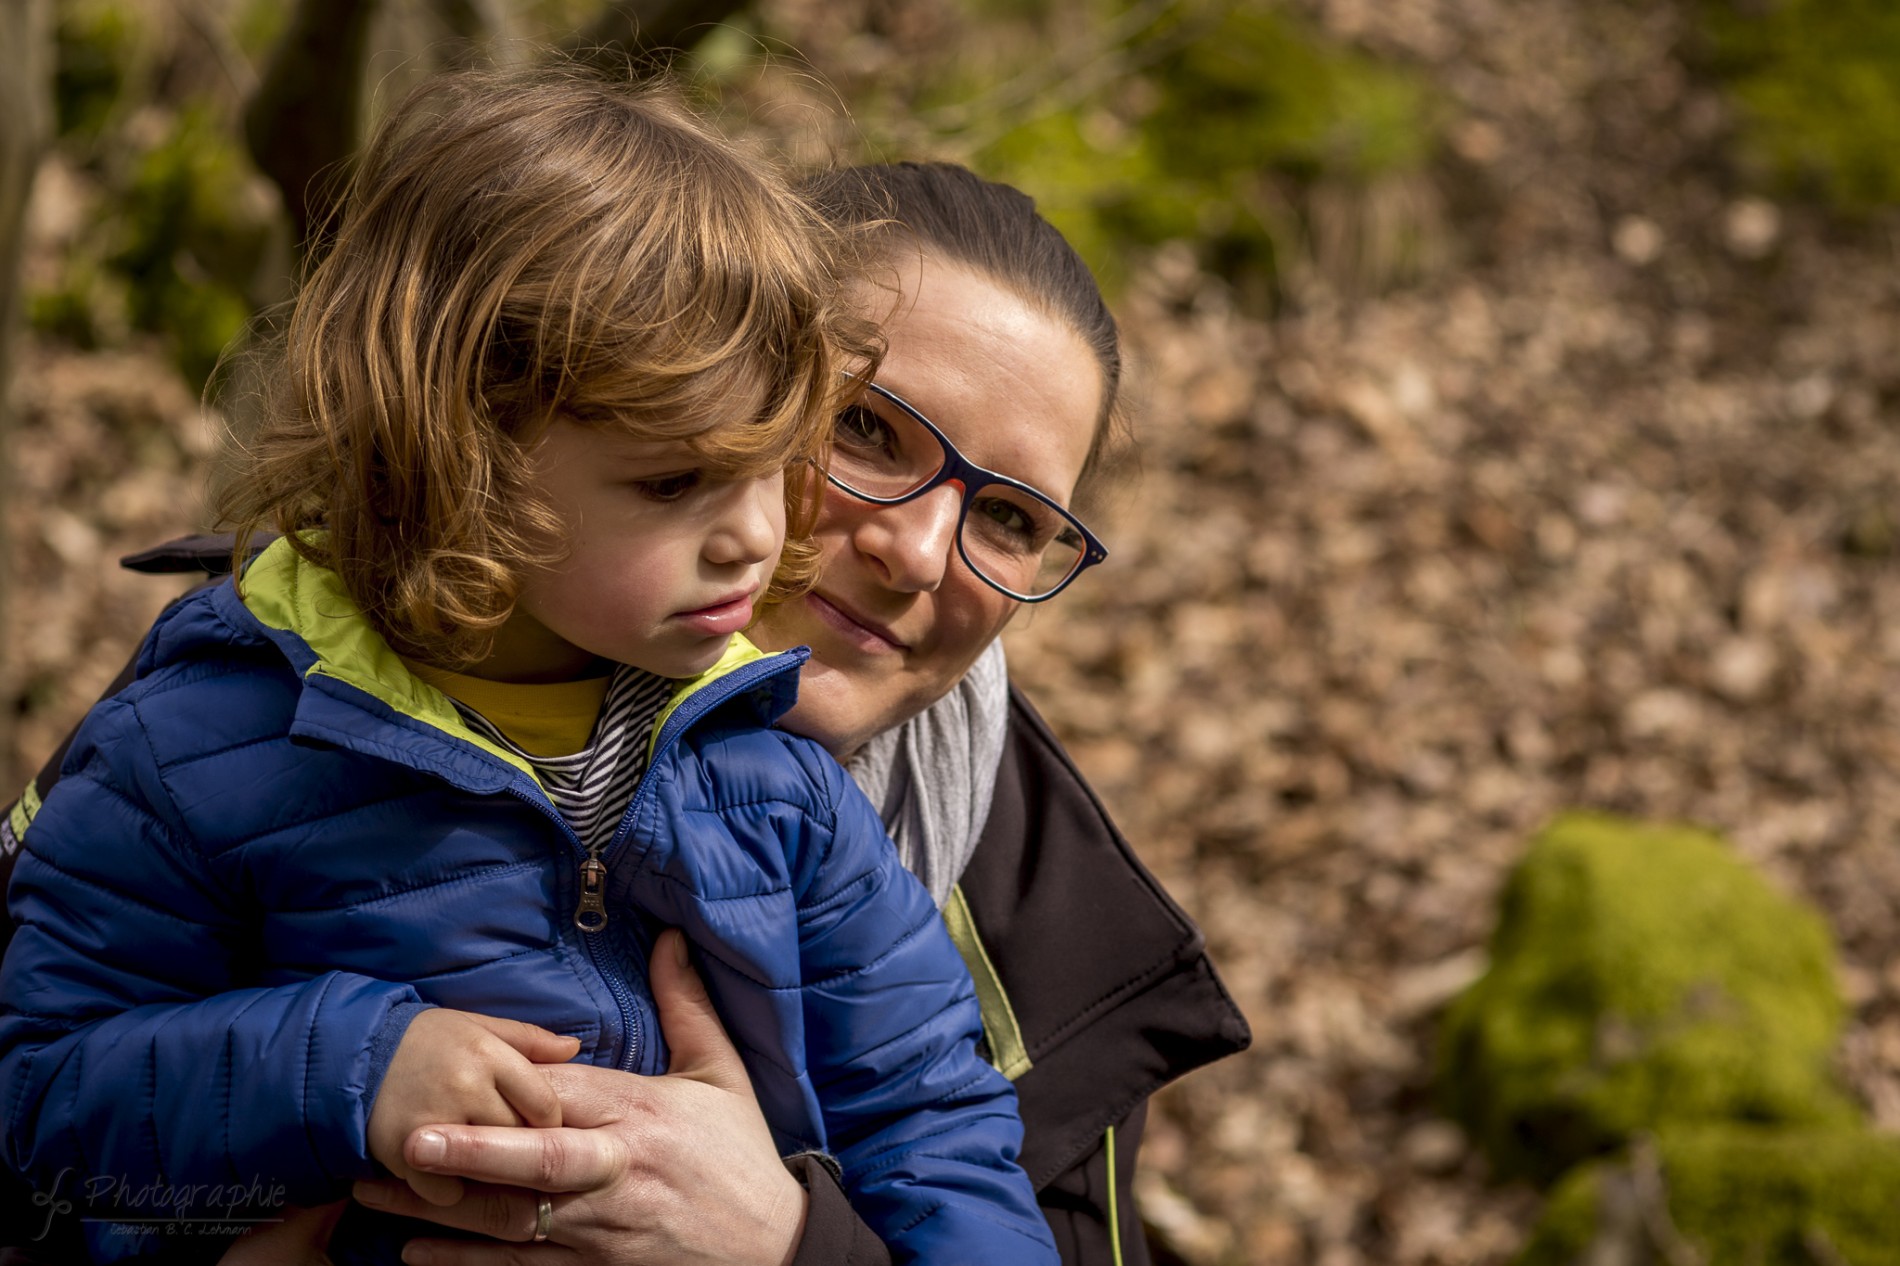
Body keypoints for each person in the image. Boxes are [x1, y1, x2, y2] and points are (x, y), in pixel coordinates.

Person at [0, 75, 1059, 1265]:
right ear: (458, 451)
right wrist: (347, 1067)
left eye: (771, 465)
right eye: (673, 483)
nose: (755, 537)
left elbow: (938, 1131)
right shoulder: (198, 749)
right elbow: (43, 1098)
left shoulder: (775, 784)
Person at [339, 163, 1255, 1266]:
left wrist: (789, 1246)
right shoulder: (289, 684)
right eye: (867, 427)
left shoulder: (1055, 948)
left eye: (1010, 518)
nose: (916, 555)